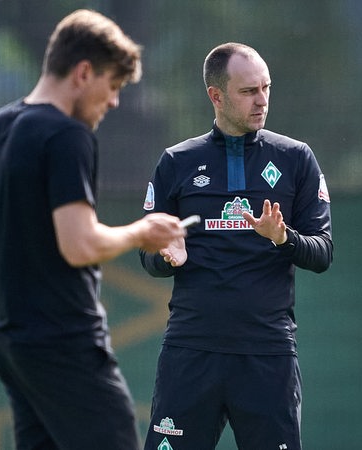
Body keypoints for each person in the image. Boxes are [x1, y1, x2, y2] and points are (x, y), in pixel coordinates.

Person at [0, 9, 186, 450]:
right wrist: (141, 232)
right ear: (83, 71)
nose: (113, 102)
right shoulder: (66, 135)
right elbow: (80, 244)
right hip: (65, 343)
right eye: (112, 86)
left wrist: (15, 268)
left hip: (14, 344)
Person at [139, 42, 333, 450]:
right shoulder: (176, 161)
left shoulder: (296, 158)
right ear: (216, 96)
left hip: (267, 353)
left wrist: (282, 237)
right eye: (248, 92)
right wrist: (167, 256)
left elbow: (322, 252)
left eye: (266, 88)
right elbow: (147, 253)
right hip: (192, 350)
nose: (261, 100)